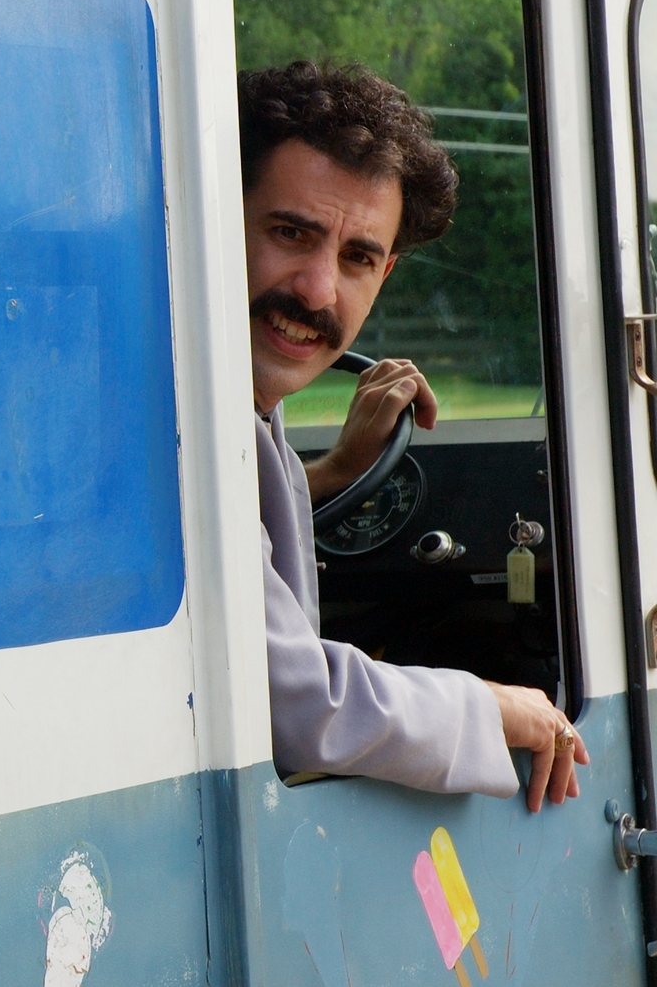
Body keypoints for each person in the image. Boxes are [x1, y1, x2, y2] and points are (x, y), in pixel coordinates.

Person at [241, 60, 585, 811]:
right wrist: (497, 706)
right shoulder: (162, 427)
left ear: (386, 273)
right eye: (290, 232)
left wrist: (329, 471)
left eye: (357, 257)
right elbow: (297, 704)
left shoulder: (244, 414)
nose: (318, 289)